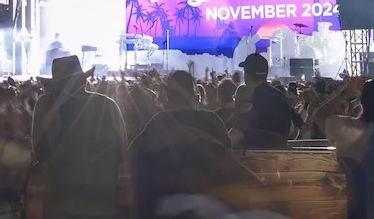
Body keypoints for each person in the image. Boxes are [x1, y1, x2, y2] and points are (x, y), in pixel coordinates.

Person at [129, 72, 251, 219]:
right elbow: (226, 154)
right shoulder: (212, 120)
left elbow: (131, 154)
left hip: (167, 207)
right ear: (196, 95)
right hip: (212, 203)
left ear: (167, 97)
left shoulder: (158, 122)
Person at [30, 57, 125, 219]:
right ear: (82, 80)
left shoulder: (47, 105)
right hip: (102, 196)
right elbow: (123, 152)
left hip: (62, 196)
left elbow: (39, 151)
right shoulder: (107, 104)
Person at [312, 79, 374, 219]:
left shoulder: (347, 128)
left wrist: (344, 92)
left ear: (362, 102)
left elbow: (318, 115)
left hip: (353, 205)